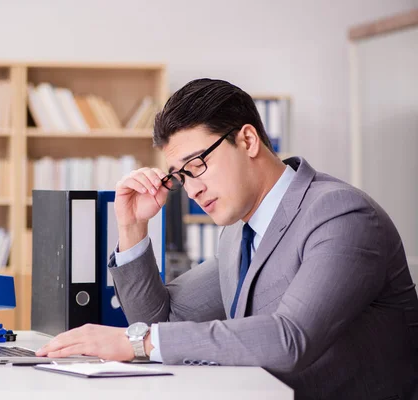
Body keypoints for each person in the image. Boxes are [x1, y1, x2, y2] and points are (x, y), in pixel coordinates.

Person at [36, 78, 418, 399]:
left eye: (197, 165)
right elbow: (162, 320)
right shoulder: (238, 233)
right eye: (181, 177)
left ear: (248, 140)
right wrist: (132, 227)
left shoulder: (340, 215)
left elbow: (290, 339)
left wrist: (138, 343)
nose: (193, 189)